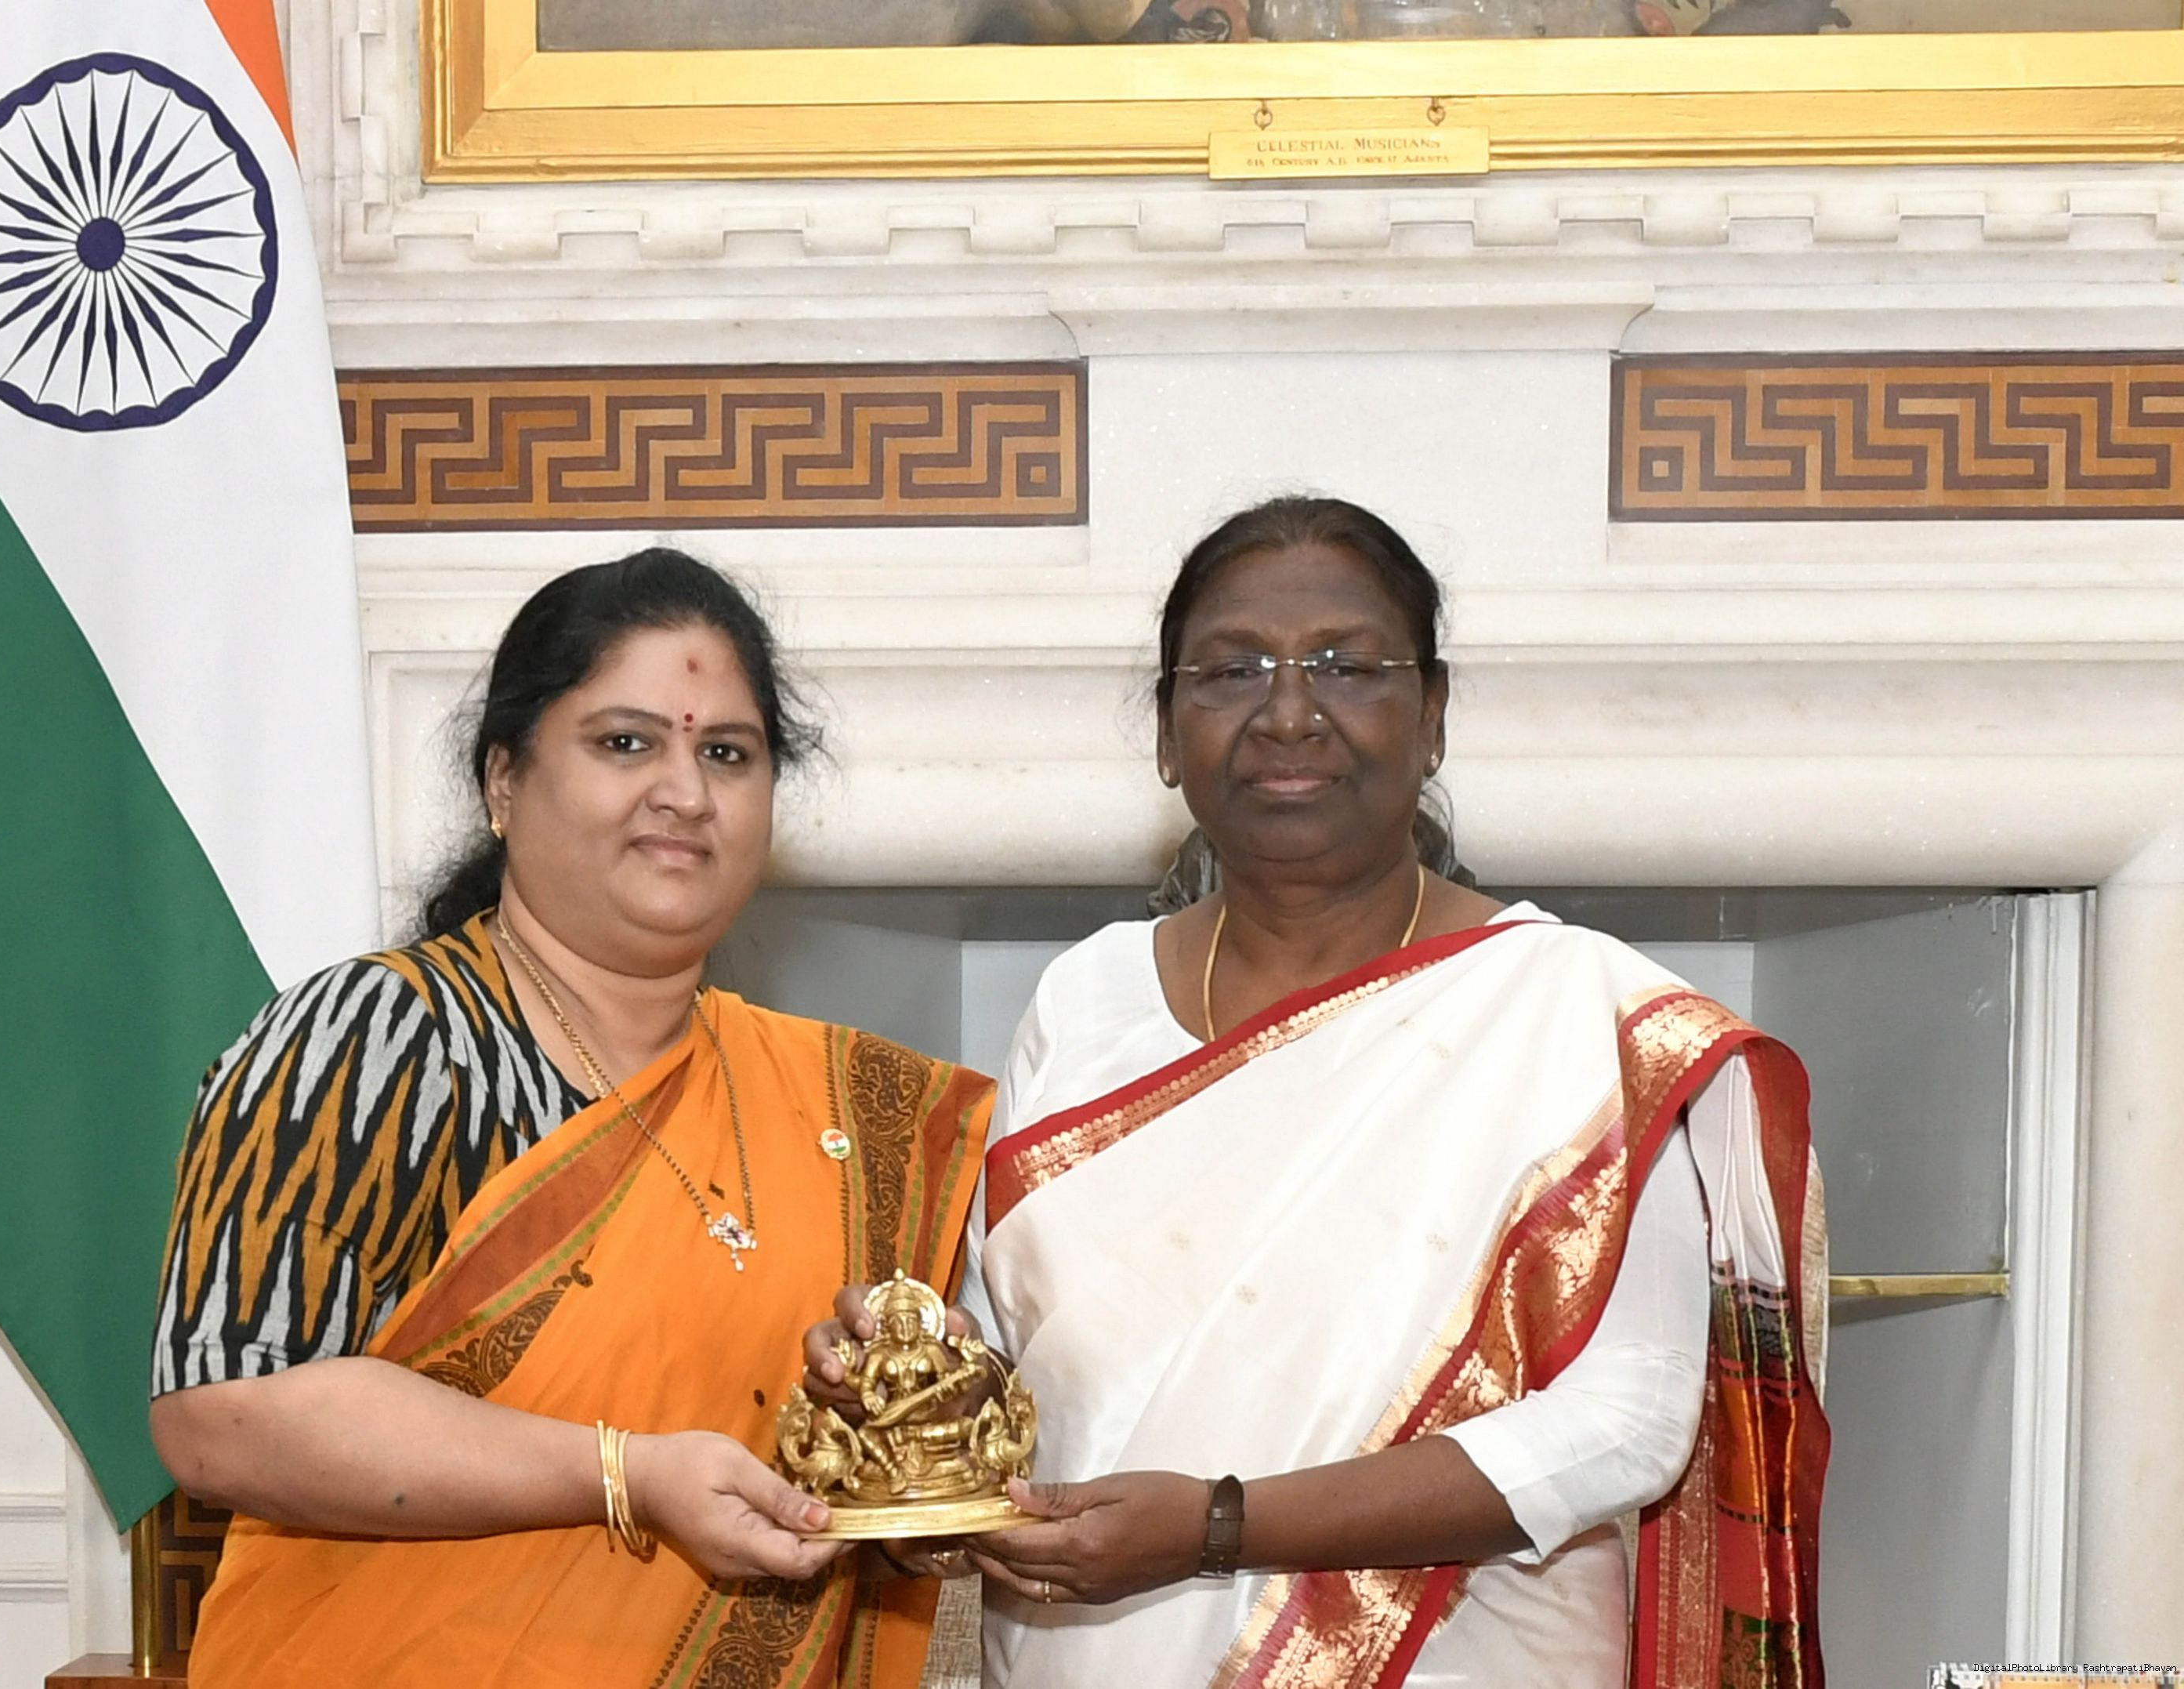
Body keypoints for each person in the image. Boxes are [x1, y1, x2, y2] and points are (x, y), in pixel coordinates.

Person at [805, 495, 1827, 1687]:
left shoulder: (1576, 1014)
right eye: (1231, 670)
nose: (1288, 713)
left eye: (1347, 665)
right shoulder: (1086, 997)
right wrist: (911, 1385)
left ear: (1432, 717)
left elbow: (1630, 1422)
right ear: (1166, 732)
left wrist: (1220, 1525)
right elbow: (1025, 1337)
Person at [149, 549, 996, 1688]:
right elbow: (224, 1411)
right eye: (626, 742)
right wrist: (625, 1475)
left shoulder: (840, 1110)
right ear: (503, 782)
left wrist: (884, 1438)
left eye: (727, 753)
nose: (686, 792)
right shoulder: (381, 1037)